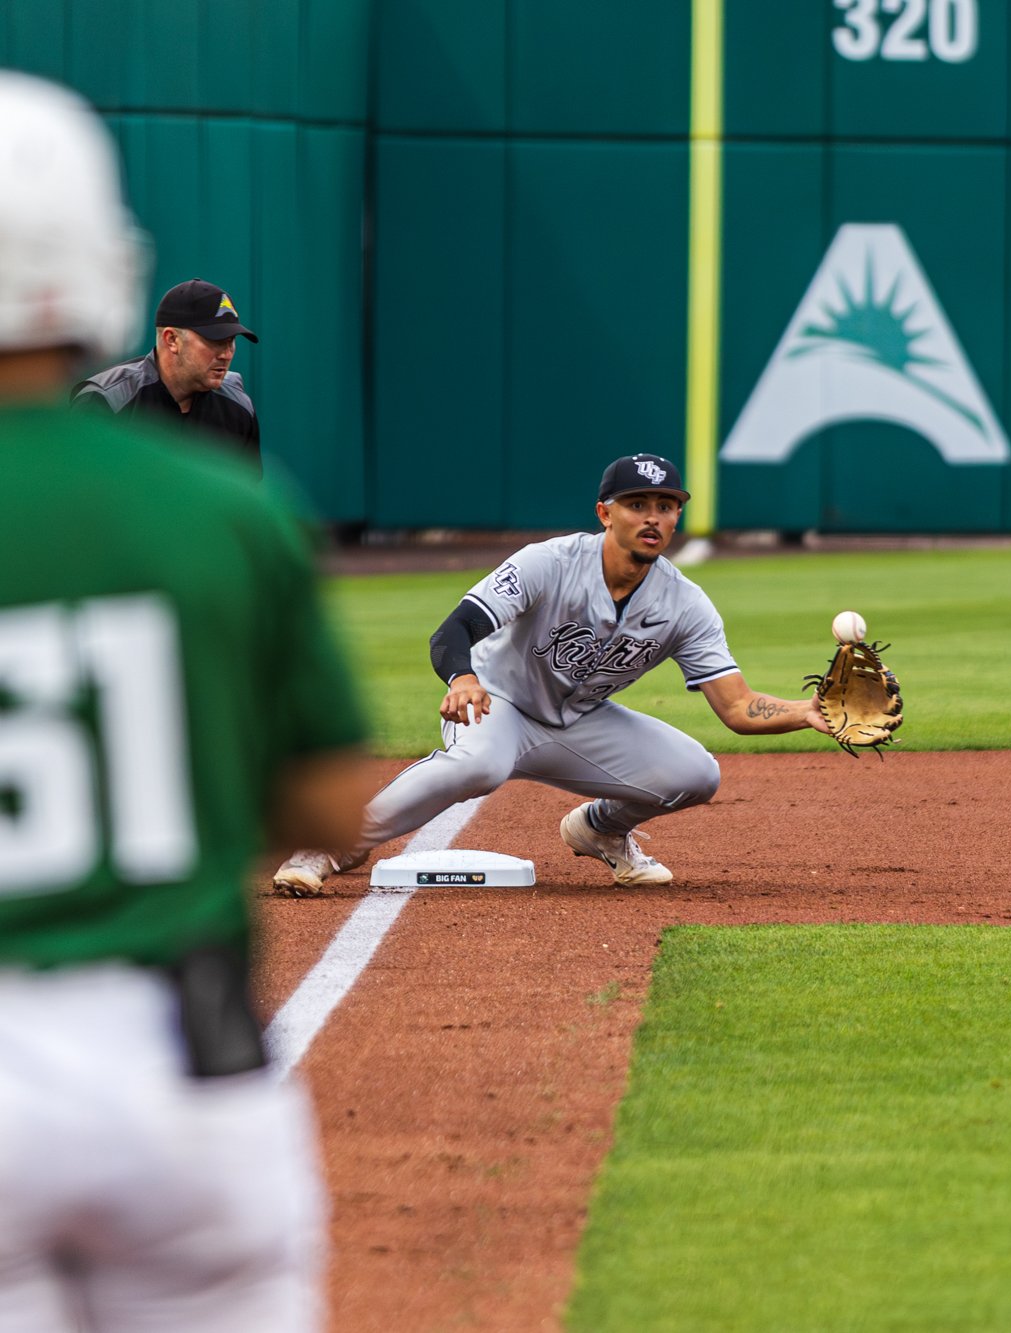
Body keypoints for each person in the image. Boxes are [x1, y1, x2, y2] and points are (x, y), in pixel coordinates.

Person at [0, 71, 373, 1330]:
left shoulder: (224, 429)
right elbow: (328, 798)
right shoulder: (217, 508)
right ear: (106, 274)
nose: (222, 352)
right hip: (181, 1044)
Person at [271, 453, 835, 895]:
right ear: (605, 512)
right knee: (481, 764)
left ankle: (600, 829)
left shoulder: (685, 604)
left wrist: (807, 712)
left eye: (666, 505)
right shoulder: (550, 562)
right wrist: (462, 679)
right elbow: (453, 630)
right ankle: (332, 846)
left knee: (697, 774)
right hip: (498, 705)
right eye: (637, 503)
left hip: (578, 723)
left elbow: (736, 708)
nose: (653, 517)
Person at [70, 277, 263, 475]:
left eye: (231, 341)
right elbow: (76, 492)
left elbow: (246, 496)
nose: (226, 354)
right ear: (171, 339)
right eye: (216, 341)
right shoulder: (106, 401)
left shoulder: (238, 407)